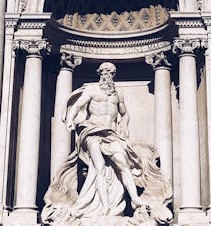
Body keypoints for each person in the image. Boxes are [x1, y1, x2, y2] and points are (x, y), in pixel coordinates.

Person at [57, 62, 146, 216]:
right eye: (104, 72)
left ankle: (135, 198)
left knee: (123, 165)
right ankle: (105, 207)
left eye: (110, 72)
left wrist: (124, 124)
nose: (106, 75)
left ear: (114, 74)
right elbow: (77, 106)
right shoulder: (92, 90)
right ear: (99, 74)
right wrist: (70, 120)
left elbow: (125, 114)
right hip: (93, 132)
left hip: (111, 135)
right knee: (99, 168)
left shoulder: (118, 94)